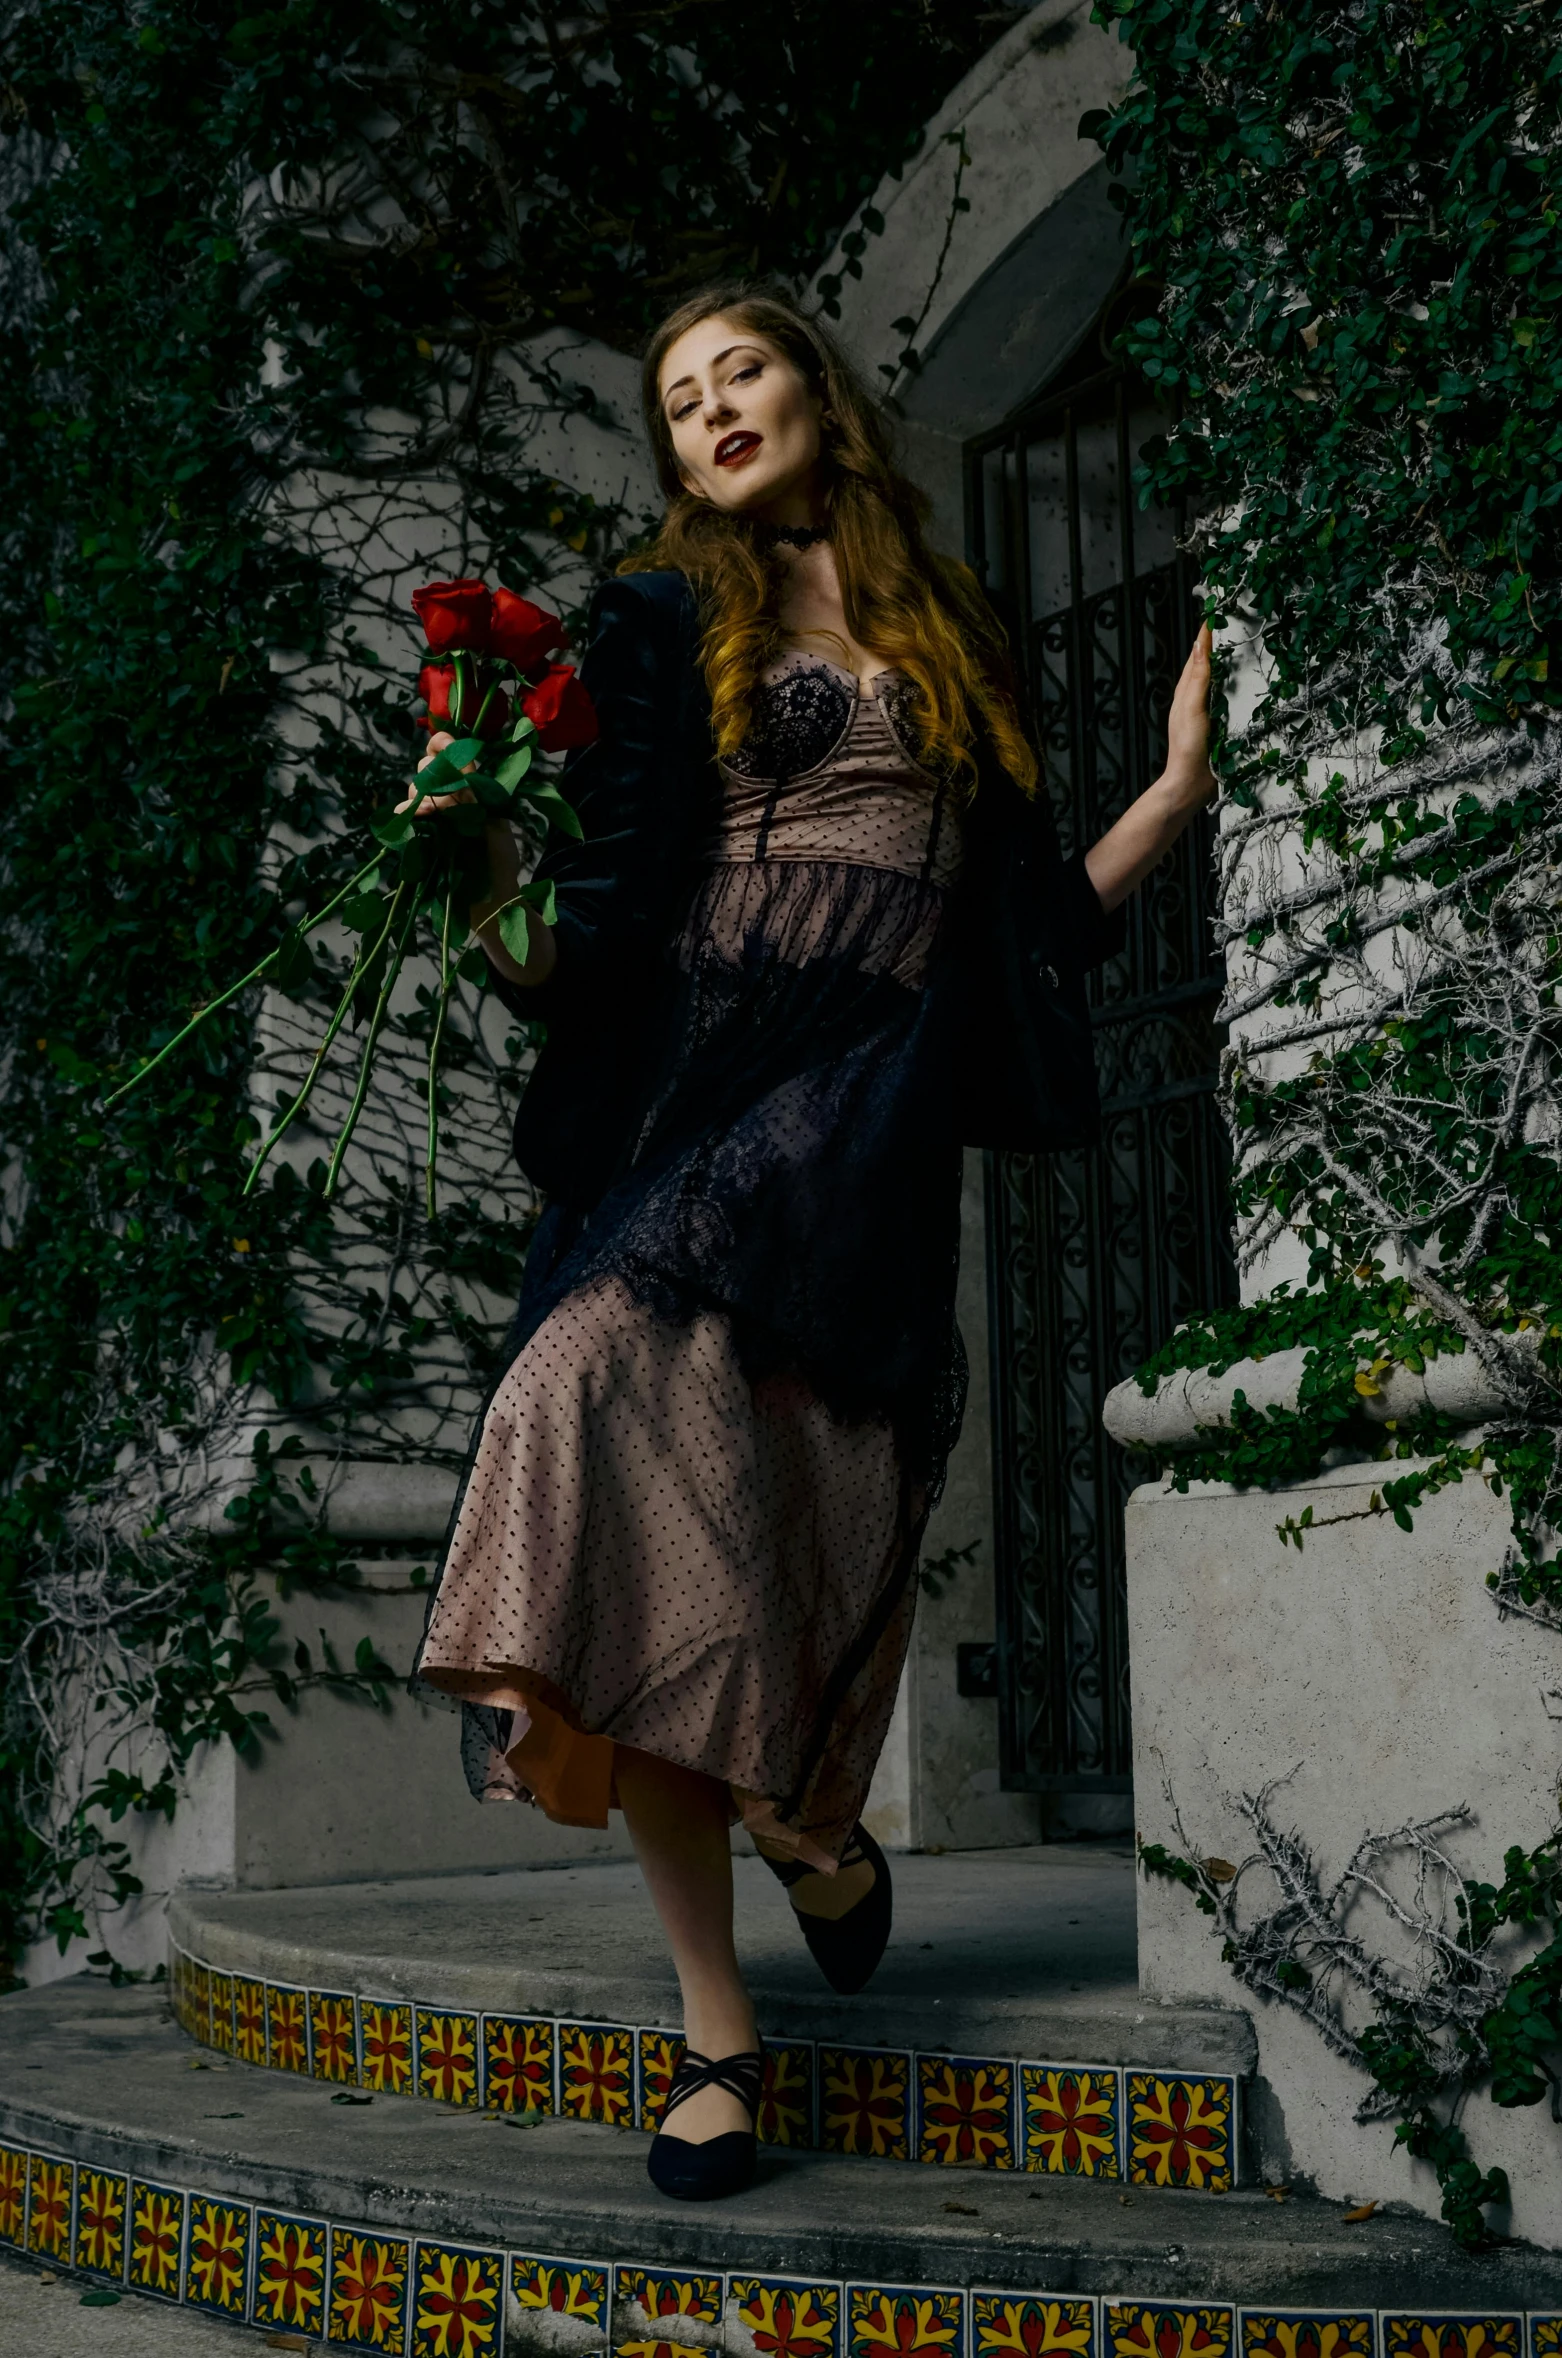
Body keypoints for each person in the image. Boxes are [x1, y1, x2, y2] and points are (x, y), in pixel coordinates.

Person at [408, 284, 1216, 2202]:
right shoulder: (660, 620)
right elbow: (576, 945)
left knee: (775, 1541)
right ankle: (717, 2039)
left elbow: (1016, 947)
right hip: (688, 1111)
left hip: (861, 1135)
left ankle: (814, 1837)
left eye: (737, 371)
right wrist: (487, 874)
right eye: (678, 401)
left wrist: (1172, 797)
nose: (711, 412)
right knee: (577, 1400)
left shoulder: (950, 636)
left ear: (811, 388)